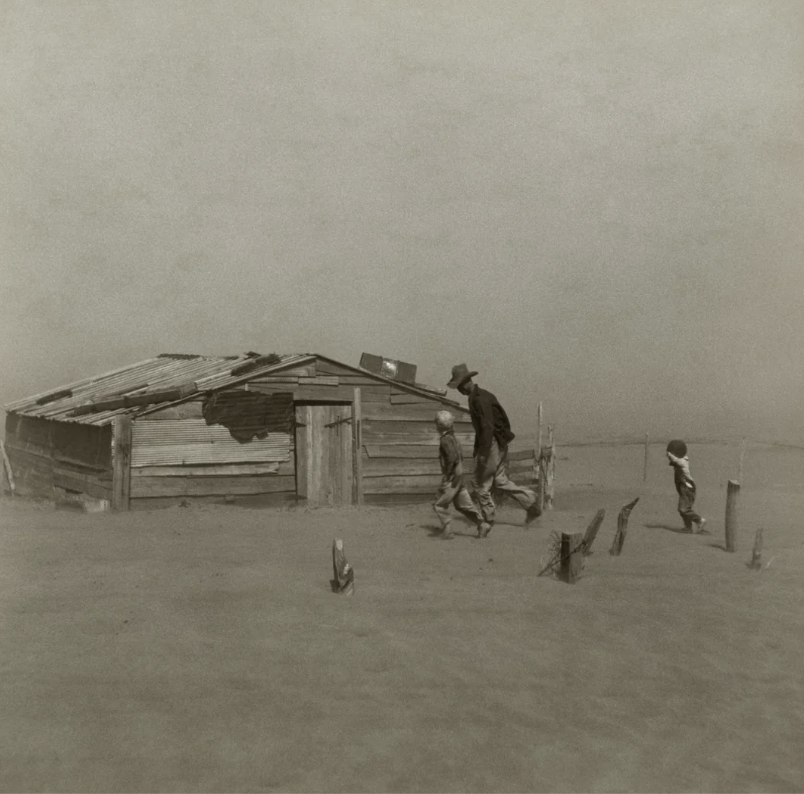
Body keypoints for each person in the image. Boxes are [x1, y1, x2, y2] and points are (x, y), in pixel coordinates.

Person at [447, 363, 541, 536]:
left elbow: (487, 427)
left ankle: (487, 521)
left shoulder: (479, 399)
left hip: (492, 444)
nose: (459, 390)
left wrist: (483, 454)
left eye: (459, 385)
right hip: (496, 443)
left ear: (465, 382)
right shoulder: (478, 396)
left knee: (479, 483)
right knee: (499, 481)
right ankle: (531, 503)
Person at [432, 410, 490, 540]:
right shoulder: (454, 438)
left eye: (436, 423)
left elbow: (452, 457)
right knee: (463, 504)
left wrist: (448, 476)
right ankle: (482, 524)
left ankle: (447, 530)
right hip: (460, 475)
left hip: (453, 477)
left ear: (439, 425)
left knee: (439, 504)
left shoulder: (445, 440)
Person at [666, 439, 707, 533]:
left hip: (687, 488)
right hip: (683, 487)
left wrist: (670, 454)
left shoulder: (683, 461)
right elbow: (673, 461)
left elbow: (676, 460)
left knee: (683, 509)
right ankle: (688, 528)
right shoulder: (679, 459)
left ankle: (700, 520)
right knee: (684, 509)